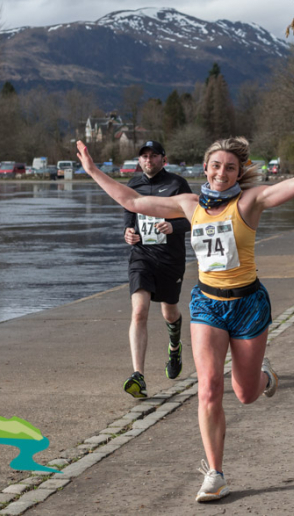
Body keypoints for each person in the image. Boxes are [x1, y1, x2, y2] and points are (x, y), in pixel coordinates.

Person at [76, 105, 294, 503]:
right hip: (207, 305)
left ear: (239, 172)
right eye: (215, 166)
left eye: (230, 168)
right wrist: (94, 171)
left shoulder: (250, 201)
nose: (221, 173)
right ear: (205, 167)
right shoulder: (188, 204)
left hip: (248, 305)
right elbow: (132, 201)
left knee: (246, 393)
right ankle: (215, 473)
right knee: (209, 389)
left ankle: (265, 379)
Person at [121, 140, 193, 399]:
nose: (148, 160)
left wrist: (175, 227)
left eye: (153, 156)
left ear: (164, 159)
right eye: (144, 156)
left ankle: (175, 346)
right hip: (142, 257)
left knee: (169, 312)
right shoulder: (134, 185)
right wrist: (128, 233)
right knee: (139, 311)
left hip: (170, 259)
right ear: (139, 161)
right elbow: (129, 218)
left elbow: (195, 218)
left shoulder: (177, 184)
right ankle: (138, 376)